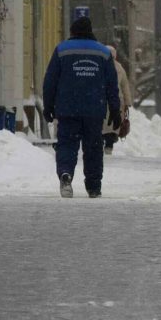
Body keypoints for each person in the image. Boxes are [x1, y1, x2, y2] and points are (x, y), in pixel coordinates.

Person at [42, 16, 121, 198]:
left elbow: (50, 81)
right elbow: (112, 84)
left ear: (73, 31)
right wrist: (115, 109)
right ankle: (94, 186)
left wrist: (48, 106)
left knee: (67, 144)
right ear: (90, 31)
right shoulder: (103, 53)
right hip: (94, 109)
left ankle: (65, 173)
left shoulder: (62, 50)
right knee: (93, 148)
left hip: (67, 108)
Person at [102, 44, 133, 155]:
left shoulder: (98, 65)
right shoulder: (119, 68)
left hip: (102, 100)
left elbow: (124, 86)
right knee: (112, 125)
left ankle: (102, 142)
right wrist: (127, 102)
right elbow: (125, 86)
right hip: (116, 101)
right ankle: (109, 144)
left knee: (102, 124)